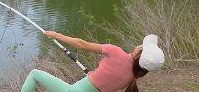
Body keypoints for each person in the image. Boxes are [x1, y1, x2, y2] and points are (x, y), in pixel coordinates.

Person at [21, 32, 165, 92]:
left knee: (34, 74)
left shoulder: (116, 52)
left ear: (139, 53)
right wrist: (94, 74)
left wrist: (55, 35)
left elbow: (80, 43)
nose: (140, 45)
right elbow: (105, 81)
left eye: (143, 46)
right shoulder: (131, 78)